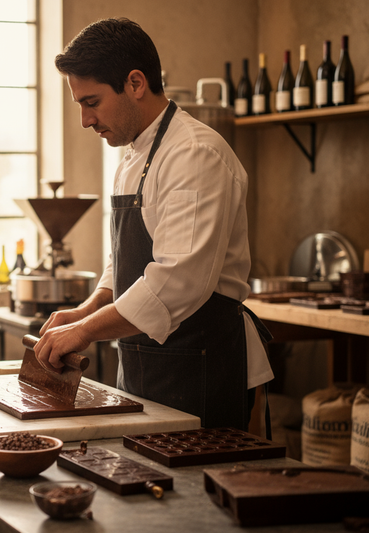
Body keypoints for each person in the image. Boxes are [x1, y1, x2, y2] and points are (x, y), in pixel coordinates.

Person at [35, 18, 273, 431]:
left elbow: (177, 280)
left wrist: (86, 331)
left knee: (195, 492)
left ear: (135, 83)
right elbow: (124, 258)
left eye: (91, 102)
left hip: (200, 366)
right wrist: (87, 309)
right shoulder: (130, 157)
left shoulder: (195, 154)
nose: (85, 120)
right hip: (143, 363)